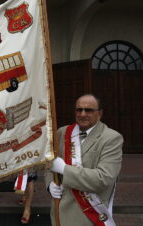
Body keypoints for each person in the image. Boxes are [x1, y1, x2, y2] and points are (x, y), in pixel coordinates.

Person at [45, 94, 123, 226]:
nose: (82, 114)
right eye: (79, 109)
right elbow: (50, 165)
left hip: (87, 214)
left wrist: (64, 169)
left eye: (89, 110)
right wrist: (50, 184)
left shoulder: (111, 138)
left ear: (99, 113)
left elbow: (103, 178)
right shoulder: (62, 132)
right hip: (59, 210)